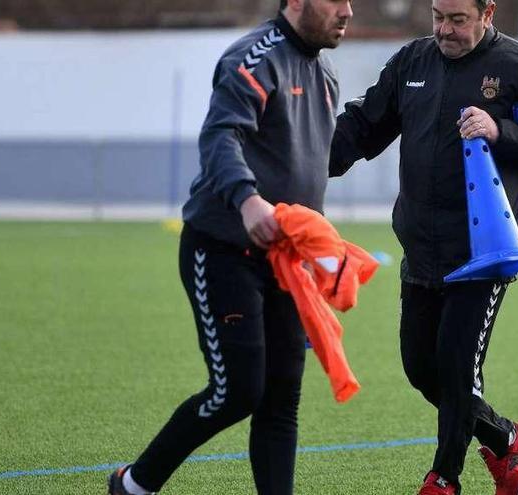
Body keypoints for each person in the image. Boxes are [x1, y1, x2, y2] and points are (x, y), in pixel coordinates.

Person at [329, 0, 518, 494]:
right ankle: (509, 439)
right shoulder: (412, 62)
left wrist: (500, 130)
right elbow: (363, 126)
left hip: (483, 251)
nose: (444, 29)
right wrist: (306, 158)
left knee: (458, 368)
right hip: (421, 249)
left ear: (488, 13)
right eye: (437, 16)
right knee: (422, 371)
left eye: (457, 19)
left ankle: (443, 478)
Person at [107, 1, 352, 494]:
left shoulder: (324, 73)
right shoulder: (254, 58)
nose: (347, 10)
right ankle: (133, 485)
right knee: (238, 390)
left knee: (282, 398)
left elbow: (310, 166)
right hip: (222, 249)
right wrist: (247, 199)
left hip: (284, 263)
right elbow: (221, 136)